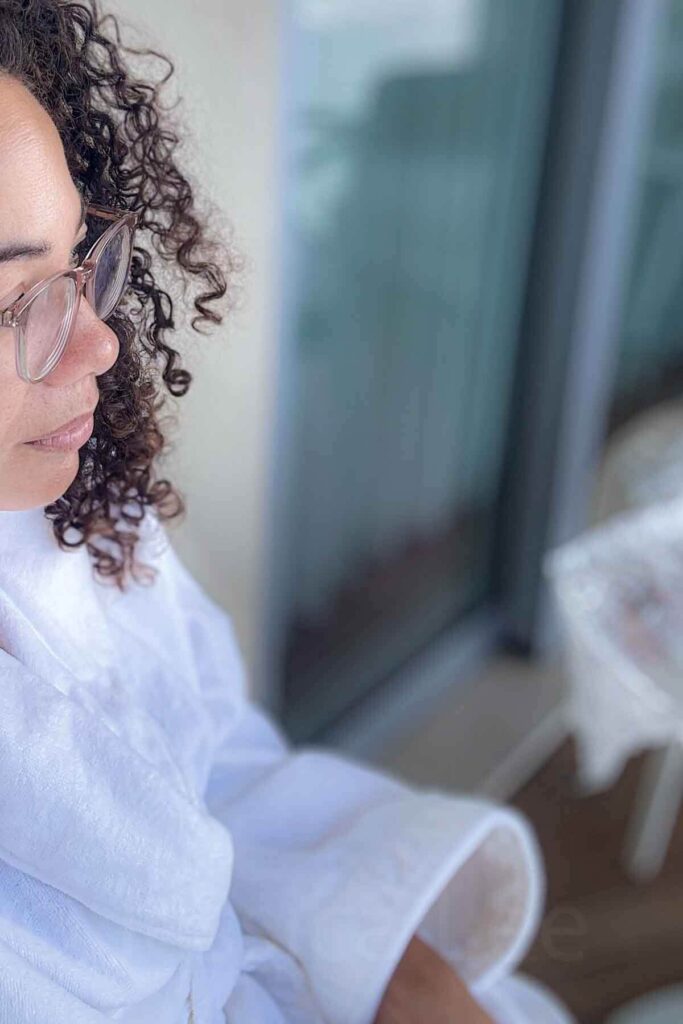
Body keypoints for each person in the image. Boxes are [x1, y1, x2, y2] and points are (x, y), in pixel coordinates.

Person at [0, 2, 575, 1022]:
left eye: (79, 265)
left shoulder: (77, 526)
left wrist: (397, 966)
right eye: (14, 307)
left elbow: (218, 758)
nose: (100, 344)